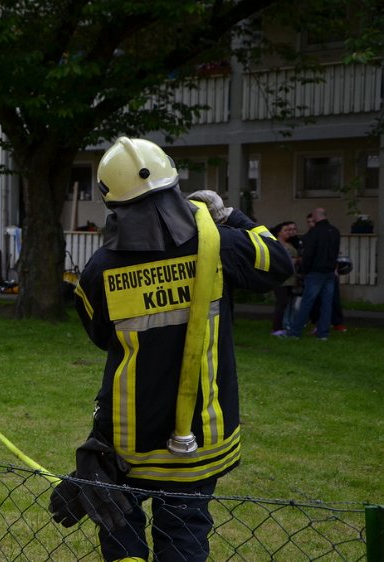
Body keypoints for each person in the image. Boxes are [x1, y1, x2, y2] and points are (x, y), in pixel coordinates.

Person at [48, 137, 292, 562]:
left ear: (111, 200)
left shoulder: (99, 271)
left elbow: (101, 336)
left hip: (128, 441)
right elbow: (278, 262)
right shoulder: (219, 245)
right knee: (183, 534)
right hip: (201, 439)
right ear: (173, 184)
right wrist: (230, 215)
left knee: (118, 522)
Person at [287, 208, 341, 340]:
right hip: (329, 272)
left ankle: (295, 332)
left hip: (315, 272)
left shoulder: (314, 233)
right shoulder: (335, 231)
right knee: (327, 304)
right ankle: (323, 333)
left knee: (307, 303)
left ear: (316, 217)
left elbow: (308, 254)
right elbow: (336, 252)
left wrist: (305, 269)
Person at [270, 221, 300, 335]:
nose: (288, 232)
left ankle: (285, 325)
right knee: (281, 303)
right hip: (280, 279)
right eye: (285, 230)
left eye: (289, 230)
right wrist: (294, 261)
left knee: (288, 303)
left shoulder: (290, 244)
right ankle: (276, 328)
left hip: (290, 279)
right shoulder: (276, 244)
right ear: (279, 232)